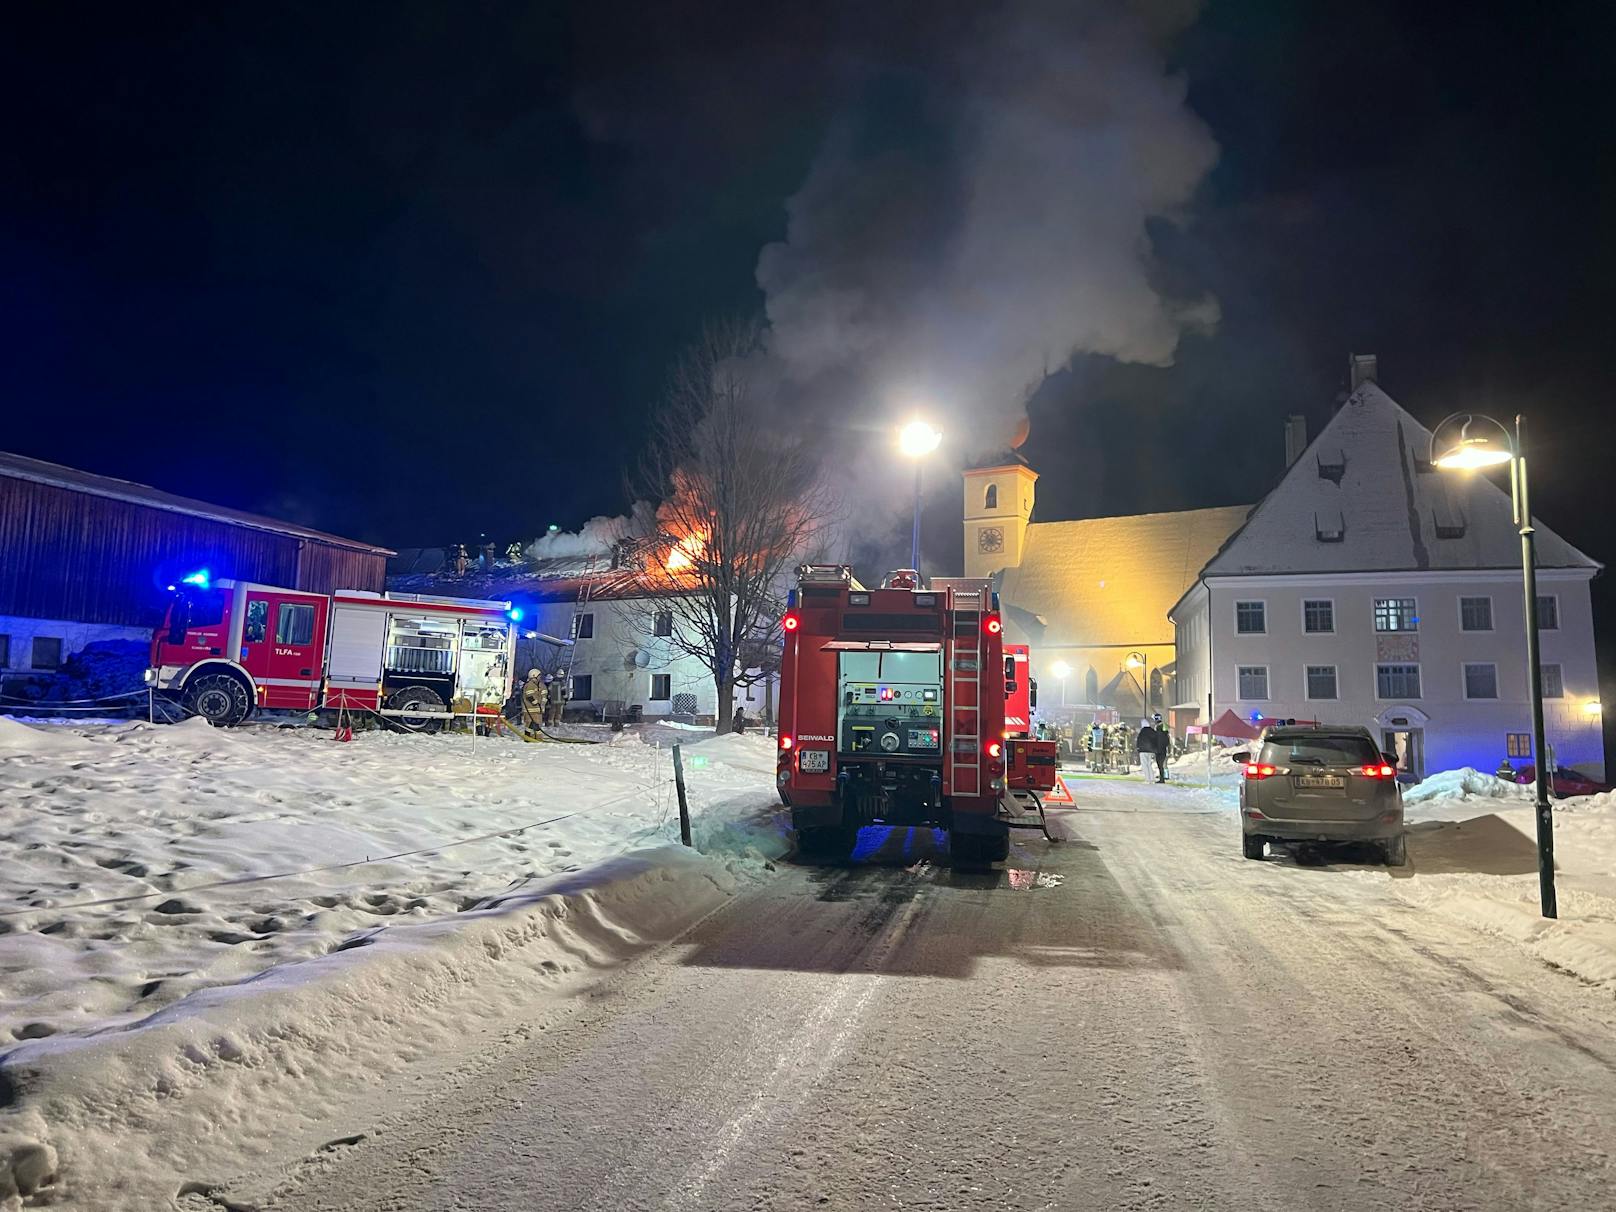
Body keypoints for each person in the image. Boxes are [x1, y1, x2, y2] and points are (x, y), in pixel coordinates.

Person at [520, 669, 547, 734]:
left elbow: (544, 694)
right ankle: (528, 737)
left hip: (538, 709)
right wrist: (536, 702)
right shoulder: (529, 685)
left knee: (538, 724)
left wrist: (543, 704)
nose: (540, 677)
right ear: (534, 676)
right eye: (539, 676)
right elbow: (529, 696)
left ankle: (537, 737)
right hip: (530, 709)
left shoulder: (541, 685)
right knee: (529, 723)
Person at [1149, 713, 1171, 783]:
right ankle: (1163, 778)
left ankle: (1163, 778)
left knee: (1161, 765)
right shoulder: (1163, 728)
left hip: (1159, 749)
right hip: (1163, 749)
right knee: (1161, 764)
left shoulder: (1159, 728)